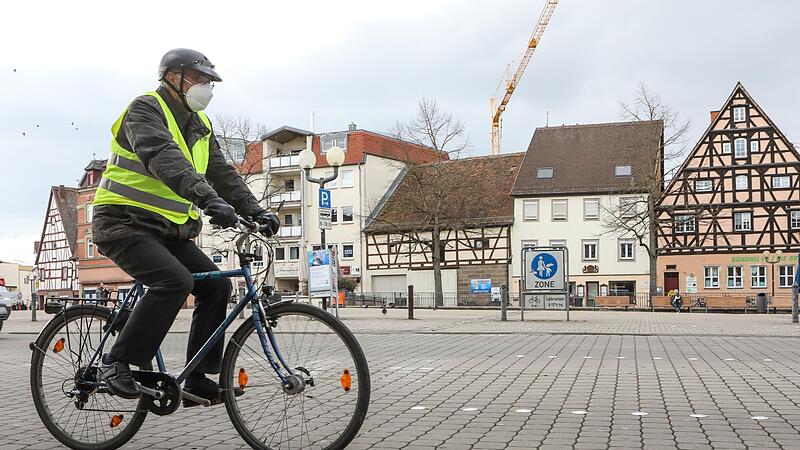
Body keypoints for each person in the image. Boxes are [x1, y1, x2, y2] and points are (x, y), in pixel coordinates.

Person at [92, 49, 280, 402]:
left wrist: (255, 210)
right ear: (172, 77)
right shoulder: (145, 109)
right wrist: (208, 200)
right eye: (198, 79)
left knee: (217, 287)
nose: (205, 87)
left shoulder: (201, 125)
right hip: (123, 221)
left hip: (169, 231)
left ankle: (196, 376)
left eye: (209, 82)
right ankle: (116, 362)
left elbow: (221, 172)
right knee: (175, 281)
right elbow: (163, 157)